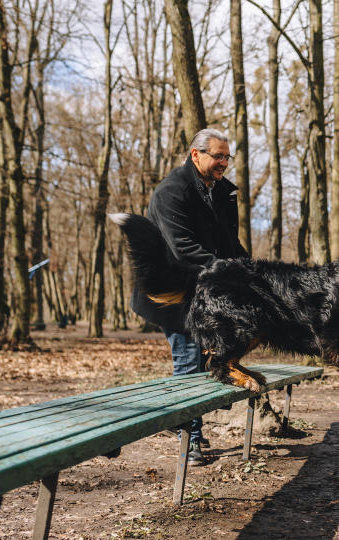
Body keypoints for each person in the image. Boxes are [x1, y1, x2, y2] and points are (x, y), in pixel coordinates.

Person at [131, 128, 248, 465]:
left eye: (227, 157)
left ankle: (184, 419)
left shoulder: (223, 192)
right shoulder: (170, 192)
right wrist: (229, 270)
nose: (223, 162)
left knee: (201, 363)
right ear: (196, 155)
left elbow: (229, 242)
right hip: (171, 293)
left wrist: (251, 269)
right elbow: (182, 248)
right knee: (188, 361)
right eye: (217, 156)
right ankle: (190, 440)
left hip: (205, 292)